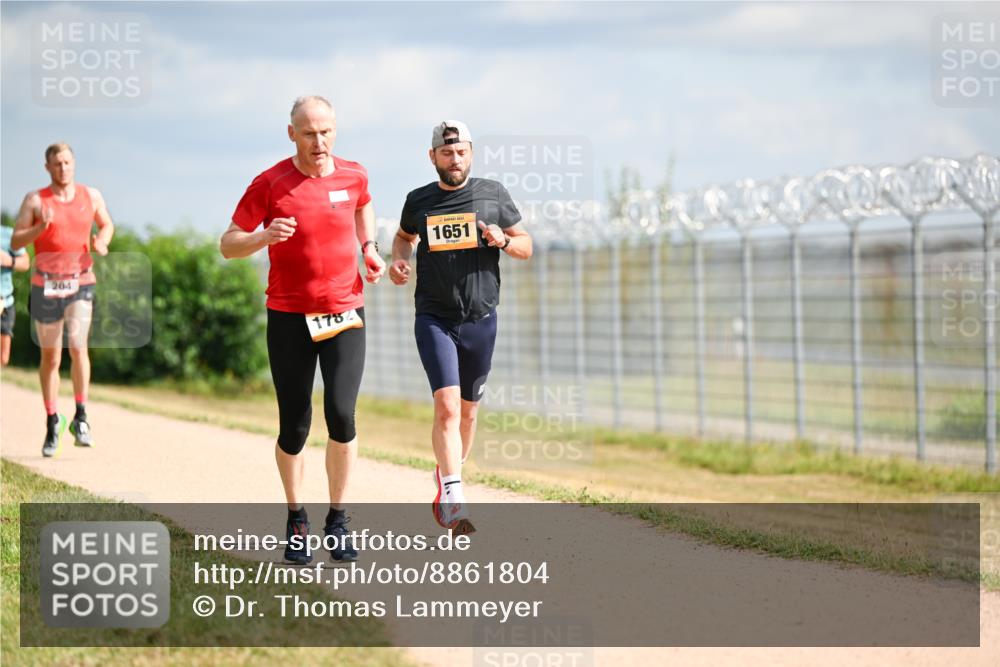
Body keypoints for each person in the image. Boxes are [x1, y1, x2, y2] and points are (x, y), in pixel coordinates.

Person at [220, 96, 385, 564]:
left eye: (326, 131)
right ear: (291, 133)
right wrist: (262, 237)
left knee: (341, 414)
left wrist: (369, 247)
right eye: (309, 133)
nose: (319, 141)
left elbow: (363, 205)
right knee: (294, 425)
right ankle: (296, 517)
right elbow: (227, 244)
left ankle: (338, 517)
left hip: (344, 312)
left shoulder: (354, 174)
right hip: (289, 317)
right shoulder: (270, 183)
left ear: (336, 130)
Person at [390, 120, 532, 535]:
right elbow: (403, 238)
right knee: (447, 407)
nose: (456, 160)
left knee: (468, 415)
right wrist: (400, 261)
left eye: (462, 152)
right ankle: (454, 499)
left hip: (481, 320)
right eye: (447, 153)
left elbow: (525, 245)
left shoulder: (493, 195)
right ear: (433, 156)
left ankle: (447, 477)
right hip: (434, 317)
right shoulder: (419, 200)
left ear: (471, 153)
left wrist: (502, 241)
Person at [11, 143, 114, 457]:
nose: (63, 169)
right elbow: (16, 240)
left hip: (80, 282)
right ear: (47, 168)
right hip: (46, 286)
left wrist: (101, 240)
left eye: (67, 162)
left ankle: (81, 416)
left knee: (78, 345)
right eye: (57, 164)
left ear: (74, 163)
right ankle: (53, 418)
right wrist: (39, 229)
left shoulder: (91, 196)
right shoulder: (35, 200)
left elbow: (106, 223)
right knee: (51, 358)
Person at [1, 219, 31, 366]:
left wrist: (9, 261)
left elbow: (26, 263)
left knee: (3, 357)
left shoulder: (7, 235)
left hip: (5, 301)